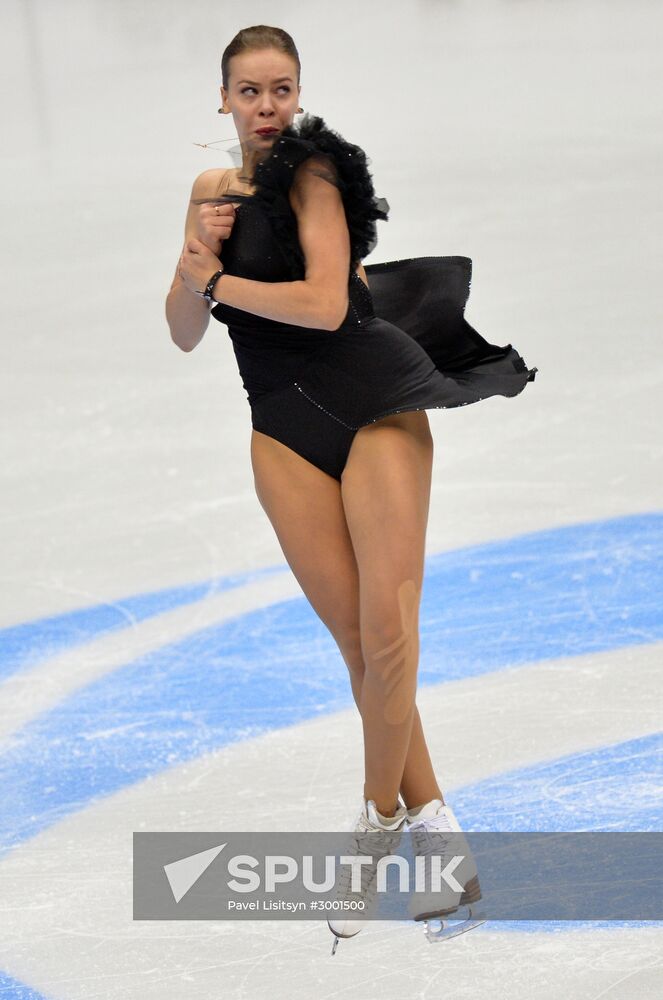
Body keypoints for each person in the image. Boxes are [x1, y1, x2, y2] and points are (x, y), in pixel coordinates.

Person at [166, 25, 536, 950]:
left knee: (389, 632)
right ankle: (441, 838)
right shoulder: (211, 194)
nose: (265, 107)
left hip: (371, 402)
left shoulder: (315, 171)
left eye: (279, 88)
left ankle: (373, 831)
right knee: (355, 647)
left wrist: (219, 284)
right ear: (222, 100)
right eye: (248, 92)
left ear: (297, 91)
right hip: (282, 426)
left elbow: (327, 304)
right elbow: (181, 330)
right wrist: (189, 271)